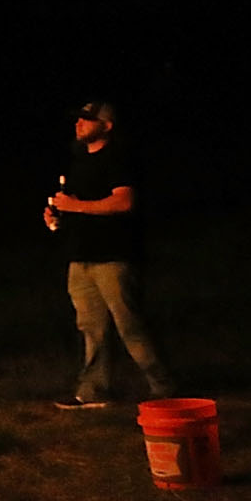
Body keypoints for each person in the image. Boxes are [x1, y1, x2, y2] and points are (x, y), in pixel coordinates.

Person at [47, 100, 172, 409]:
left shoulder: (118, 157)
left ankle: (164, 387)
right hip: (81, 256)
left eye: (87, 120)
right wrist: (56, 215)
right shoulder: (78, 160)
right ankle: (92, 391)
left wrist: (76, 206)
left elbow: (123, 202)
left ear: (107, 125)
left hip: (113, 256)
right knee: (90, 327)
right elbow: (76, 202)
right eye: (78, 119)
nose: (79, 124)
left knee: (129, 324)